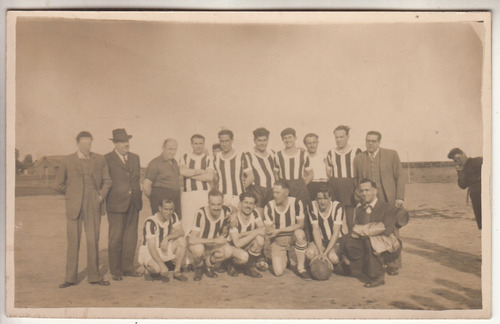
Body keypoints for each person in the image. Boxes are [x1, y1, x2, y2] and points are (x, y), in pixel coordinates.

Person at [55, 131, 112, 288]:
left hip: (93, 203)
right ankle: (70, 278)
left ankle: (94, 277)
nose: (86, 146)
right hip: (74, 205)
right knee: (73, 241)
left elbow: (108, 181)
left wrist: (100, 196)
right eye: (83, 144)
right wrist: (73, 193)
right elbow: (58, 184)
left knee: (93, 240)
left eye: (89, 143)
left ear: (92, 143)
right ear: (77, 143)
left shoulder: (100, 159)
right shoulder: (67, 160)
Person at [353, 130, 405, 275]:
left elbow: (400, 176)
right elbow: (356, 180)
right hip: (369, 199)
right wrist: (360, 198)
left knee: (391, 229)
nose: (370, 143)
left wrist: (399, 197)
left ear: (379, 142)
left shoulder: (391, 155)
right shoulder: (359, 158)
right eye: (367, 140)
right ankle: (375, 263)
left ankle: (394, 263)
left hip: (388, 199)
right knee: (371, 229)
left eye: (373, 141)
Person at [341, 179, 401, 288]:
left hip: (388, 244)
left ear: (375, 191)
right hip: (367, 241)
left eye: (367, 190)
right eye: (361, 191)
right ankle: (364, 268)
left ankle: (377, 277)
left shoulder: (387, 207)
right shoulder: (359, 209)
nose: (364, 194)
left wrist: (363, 230)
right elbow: (354, 230)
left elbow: (386, 229)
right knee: (347, 242)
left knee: (370, 242)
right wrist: (372, 228)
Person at [104, 128, 143, 281]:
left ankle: (128, 268)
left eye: (127, 141)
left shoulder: (135, 158)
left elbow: (135, 179)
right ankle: (115, 270)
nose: (126, 144)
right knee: (116, 237)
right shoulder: (106, 159)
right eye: (122, 142)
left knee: (131, 237)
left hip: (134, 202)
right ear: (115, 144)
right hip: (116, 203)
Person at [264, 180, 310, 280]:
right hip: (278, 241)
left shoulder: (296, 203)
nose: (275, 195)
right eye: (274, 192)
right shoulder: (269, 206)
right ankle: (286, 258)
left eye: (278, 192)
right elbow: (270, 231)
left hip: (292, 237)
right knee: (278, 272)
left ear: (286, 193)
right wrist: (271, 232)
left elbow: (300, 225)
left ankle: (301, 268)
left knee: (300, 234)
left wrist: (279, 230)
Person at [188, 189, 235, 281]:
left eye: (219, 204)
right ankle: (199, 267)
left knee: (228, 251)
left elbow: (234, 209)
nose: (216, 207)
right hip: (199, 243)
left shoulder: (225, 210)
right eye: (213, 204)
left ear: (222, 203)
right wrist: (214, 240)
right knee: (198, 250)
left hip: (211, 246)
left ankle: (207, 264)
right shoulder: (201, 213)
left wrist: (234, 216)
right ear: (208, 203)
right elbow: (191, 239)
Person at [138, 199, 188, 282]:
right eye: (166, 209)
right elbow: (151, 248)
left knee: (182, 240)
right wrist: (162, 265)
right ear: (160, 208)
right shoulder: (151, 222)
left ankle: (177, 272)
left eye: (171, 209)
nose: (169, 212)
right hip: (148, 251)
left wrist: (167, 238)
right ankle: (147, 269)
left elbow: (181, 232)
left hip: (162, 247)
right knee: (157, 269)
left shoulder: (173, 216)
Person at [326, 125, 362, 234]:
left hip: (351, 188)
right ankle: (340, 243)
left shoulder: (356, 151)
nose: (338, 140)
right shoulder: (331, 152)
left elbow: (360, 172)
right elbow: (329, 173)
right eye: (336, 137)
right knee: (338, 219)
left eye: (341, 137)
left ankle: (353, 244)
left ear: (347, 137)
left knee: (351, 220)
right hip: (335, 187)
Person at [306, 185, 349, 274]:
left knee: (333, 257)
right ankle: (320, 263)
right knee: (309, 254)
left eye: (325, 198)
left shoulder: (338, 207)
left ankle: (342, 261)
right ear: (316, 198)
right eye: (319, 198)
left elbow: (336, 233)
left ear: (330, 198)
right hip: (322, 240)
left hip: (336, 240)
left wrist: (324, 254)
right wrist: (321, 252)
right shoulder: (312, 205)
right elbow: (315, 230)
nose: (322, 202)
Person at [227, 192, 269, 278]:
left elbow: (263, 230)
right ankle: (230, 264)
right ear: (240, 203)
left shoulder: (255, 213)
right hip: (232, 246)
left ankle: (249, 267)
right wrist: (256, 231)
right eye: (246, 202)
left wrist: (242, 234)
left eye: (251, 203)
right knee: (243, 256)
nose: (248, 206)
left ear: (254, 206)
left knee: (260, 239)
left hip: (243, 242)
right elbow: (237, 243)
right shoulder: (234, 217)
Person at [179, 134, 215, 234]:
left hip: (204, 194)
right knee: (187, 222)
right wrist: (200, 171)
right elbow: (182, 172)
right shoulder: (185, 157)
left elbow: (209, 177)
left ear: (204, 144)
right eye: (195, 143)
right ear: (191, 144)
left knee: (203, 220)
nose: (198, 146)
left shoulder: (208, 158)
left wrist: (190, 174)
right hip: (188, 194)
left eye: (200, 143)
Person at [213, 129, 253, 208]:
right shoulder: (216, 157)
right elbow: (215, 178)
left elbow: (251, 176)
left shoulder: (241, 155)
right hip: (222, 197)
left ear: (232, 140)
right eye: (222, 141)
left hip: (238, 196)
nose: (224, 144)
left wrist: (241, 187)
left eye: (227, 141)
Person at [143, 139, 182, 216]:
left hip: (175, 199)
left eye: (175, 149)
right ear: (163, 148)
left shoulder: (175, 162)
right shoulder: (155, 163)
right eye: (170, 149)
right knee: (161, 224)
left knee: (175, 223)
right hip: (161, 199)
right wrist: (154, 199)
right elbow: (146, 186)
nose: (173, 152)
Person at [245, 127, 277, 217]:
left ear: (268, 140)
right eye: (259, 140)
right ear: (254, 140)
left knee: (272, 217)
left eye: (265, 140)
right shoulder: (248, 155)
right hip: (257, 190)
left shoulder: (272, 153)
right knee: (259, 217)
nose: (262, 143)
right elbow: (248, 176)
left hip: (272, 189)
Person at [447, 148, 482, 230]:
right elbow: (462, 186)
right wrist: (460, 172)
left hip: (487, 195)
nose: (458, 161)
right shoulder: (462, 169)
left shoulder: (478, 161)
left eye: (459, 158)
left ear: (463, 153)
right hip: (475, 198)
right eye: (455, 160)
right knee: (482, 223)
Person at [303, 133, 328, 202]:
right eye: (309, 143)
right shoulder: (303, 157)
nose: (312, 145)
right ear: (305, 144)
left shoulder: (324, 155)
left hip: (324, 184)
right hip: (310, 185)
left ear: (317, 143)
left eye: (314, 142)